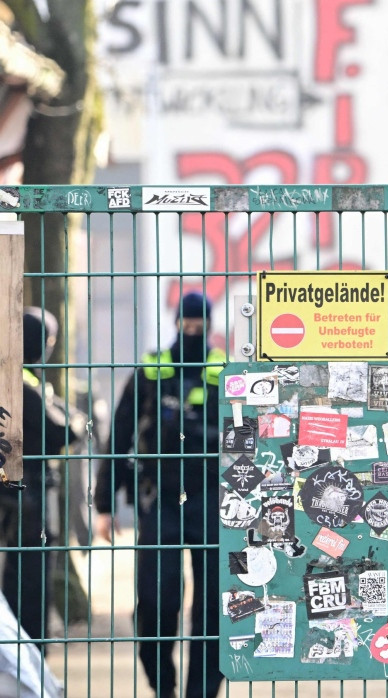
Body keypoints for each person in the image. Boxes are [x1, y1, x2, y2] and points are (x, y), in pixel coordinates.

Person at [94, 291, 226, 698]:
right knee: (155, 601)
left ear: (210, 324)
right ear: (176, 322)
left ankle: (201, 692)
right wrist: (104, 504)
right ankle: (163, 687)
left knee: (214, 606)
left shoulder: (226, 369)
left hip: (213, 498)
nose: (192, 330)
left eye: (199, 324)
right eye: (187, 323)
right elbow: (119, 435)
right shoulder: (151, 371)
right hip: (160, 497)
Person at [0, 308, 85, 645]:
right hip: (27, 497)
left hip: (18, 493)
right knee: (29, 583)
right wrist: (74, 419)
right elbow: (62, 431)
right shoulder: (23, 385)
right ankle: (29, 655)